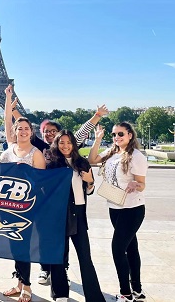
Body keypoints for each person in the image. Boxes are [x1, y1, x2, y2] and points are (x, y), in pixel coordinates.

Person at [34, 106, 108, 285]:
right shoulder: (47, 156)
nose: (51, 134)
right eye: (47, 131)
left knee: (78, 253)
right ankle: (52, 278)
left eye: (54, 131)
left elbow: (81, 134)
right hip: (56, 211)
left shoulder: (78, 161)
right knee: (55, 248)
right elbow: (23, 131)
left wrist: (96, 116)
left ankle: (64, 278)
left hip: (76, 210)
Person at [89, 122, 148, 302]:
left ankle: (126, 293)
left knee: (117, 249)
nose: (117, 137)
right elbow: (92, 160)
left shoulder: (136, 156)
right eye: (114, 134)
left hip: (132, 208)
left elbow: (142, 184)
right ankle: (137, 290)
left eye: (121, 134)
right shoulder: (113, 152)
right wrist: (98, 138)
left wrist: (135, 184)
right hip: (115, 206)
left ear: (130, 135)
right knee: (131, 248)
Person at [46, 129, 105, 302]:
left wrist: (90, 181)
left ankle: (94, 296)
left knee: (85, 257)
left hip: (78, 214)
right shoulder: (53, 165)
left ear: (74, 144)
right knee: (58, 257)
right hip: (59, 216)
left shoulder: (82, 163)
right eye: (62, 142)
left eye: (68, 142)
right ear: (57, 144)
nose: (65, 146)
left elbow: (90, 190)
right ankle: (60, 293)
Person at [0, 85, 46, 302]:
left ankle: (27, 286)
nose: (23, 131)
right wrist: (8, 97)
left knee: (23, 246)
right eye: (20, 128)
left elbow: (41, 183)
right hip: (7, 206)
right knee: (14, 246)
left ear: (31, 132)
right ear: (15, 132)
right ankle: (19, 282)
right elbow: (6, 120)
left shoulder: (36, 154)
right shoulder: (9, 149)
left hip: (26, 207)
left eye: (27, 128)